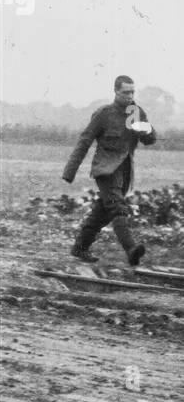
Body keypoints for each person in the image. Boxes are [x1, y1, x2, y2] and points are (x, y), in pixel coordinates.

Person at [62, 75, 157, 266]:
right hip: (105, 170)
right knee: (117, 207)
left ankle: (80, 247)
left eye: (132, 92)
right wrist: (69, 171)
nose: (130, 96)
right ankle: (131, 249)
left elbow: (150, 140)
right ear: (115, 91)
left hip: (125, 172)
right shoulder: (104, 114)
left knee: (102, 212)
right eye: (125, 92)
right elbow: (84, 141)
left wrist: (145, 129)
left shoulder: (137, 113)